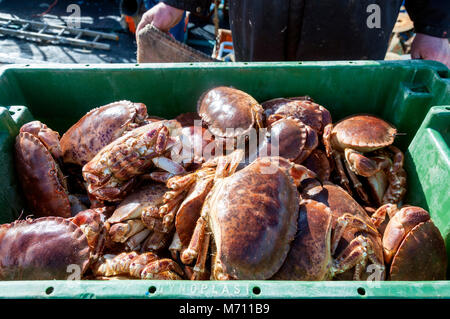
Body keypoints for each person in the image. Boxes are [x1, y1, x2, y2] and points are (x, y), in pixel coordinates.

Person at [136, 0, 450, 67]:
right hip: (263, 17)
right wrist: (178, 3)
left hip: (357, 17)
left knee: (348, 109)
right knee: (258, 108)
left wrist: (435, 25)